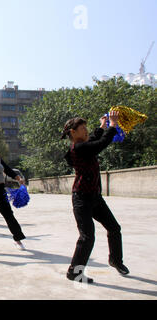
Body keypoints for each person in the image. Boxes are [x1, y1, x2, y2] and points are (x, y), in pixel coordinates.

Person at [62, 111, 129, 284]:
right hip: (81, 199)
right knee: (87, 237)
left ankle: (115, 260)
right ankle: (74, 273)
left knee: (114, 228)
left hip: (95, 198)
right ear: (72, 132)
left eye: (86, 128)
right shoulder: (78, 148)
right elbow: (99, 144)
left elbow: (93, 139)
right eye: (82, 129)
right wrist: (113, 126)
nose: (86, 131)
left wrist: (102, 126)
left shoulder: (84, 145)